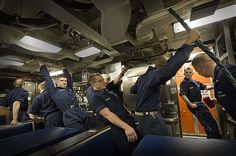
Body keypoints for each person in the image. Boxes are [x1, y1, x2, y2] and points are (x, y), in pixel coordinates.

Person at [130, 30, 200, 137]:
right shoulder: (154, 75)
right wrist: (188, 42)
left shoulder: (142, 78)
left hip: (140, 120)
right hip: (151, 120)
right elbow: (170, 69)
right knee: (162, 147)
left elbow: (132, 90)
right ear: (162, 67)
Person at [89, 74, 139, 156]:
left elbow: (120, 105)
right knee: (129, 151)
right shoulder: (94, 97)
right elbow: (107, 114)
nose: (104, 82)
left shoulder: (106, 92)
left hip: (128, 122)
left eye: (103, 80)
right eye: (100, 81)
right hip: (119, 129)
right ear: (94, 84)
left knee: (138, 148)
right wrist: (126, 127)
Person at [40, 65, 102, 132]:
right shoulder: (54, 91)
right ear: (56, 82)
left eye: (65, 81)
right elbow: (47, 78)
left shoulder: (69, 89)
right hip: (69, 115)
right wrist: (42, 66)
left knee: (93, 128)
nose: (64, 82)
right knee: (79, 133)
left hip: (80, 110)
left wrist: (64, 68)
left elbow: (69, 78)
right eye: (61, 80)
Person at [192, 52, 236, 121]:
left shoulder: (227, 73)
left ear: (200, 68)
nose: (199, 73)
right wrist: (218, 100)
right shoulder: (218, 77)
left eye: (197, 71)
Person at [180, 67, 221, 138]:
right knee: (207, 123)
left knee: (211, 122)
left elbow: (206, 87)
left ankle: (215, 138)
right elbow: (183, 94)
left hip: (201, 104)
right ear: (184, 74)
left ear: (192, 73)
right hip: (194, 104)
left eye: (190, 72)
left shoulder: (196, 82)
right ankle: (214, 140)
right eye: (186, 73)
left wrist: (215, 85)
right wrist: (190, 104)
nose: (188, 74)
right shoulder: (184, 83)